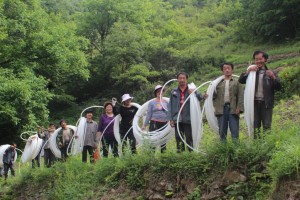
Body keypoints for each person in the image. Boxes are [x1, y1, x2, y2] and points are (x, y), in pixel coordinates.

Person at [239, 50, 282, 138]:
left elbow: (278, 87)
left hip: (266, 104)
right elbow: (241, 80)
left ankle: (267, 145)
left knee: (267, 125)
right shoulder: (252, 72)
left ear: (265, 59)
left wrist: (273, 77)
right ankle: (257, 146)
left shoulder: (270, 73)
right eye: (256, 59)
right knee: (256, 126)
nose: (258, 61)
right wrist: (248, 71)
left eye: (260, 59)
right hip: (254, 104)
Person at [167, 72, 204, 152]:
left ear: (186, 79)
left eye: (184, 78)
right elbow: (170, 106)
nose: (182, 80)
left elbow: (200, 97)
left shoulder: (191, 89)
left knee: (189, 137)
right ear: (177, 80)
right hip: (177, 118)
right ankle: (180, 154)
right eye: (180, 78)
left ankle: (190, 154)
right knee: (178, 137)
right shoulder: (174, 91)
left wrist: (195, 92)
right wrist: (171, 119)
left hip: (188, 118)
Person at [213, 63, 244, 142]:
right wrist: (206, 94)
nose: (227, 70)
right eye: (225, 68)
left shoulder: (237, 82)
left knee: (234, 130)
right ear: (222, 70)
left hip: (233, 109)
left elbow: (240, 95)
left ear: (232, 70)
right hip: (221, 109)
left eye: (228, 68)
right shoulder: (217, 83)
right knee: (222, 131)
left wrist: (239, 108)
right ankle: (223, 149)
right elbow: (212, 96)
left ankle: (236, 148)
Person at [142, 85, 168, 152]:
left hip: (164, 124)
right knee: (153, 141)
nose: (160, 93)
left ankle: (164, 157)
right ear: (156, 93)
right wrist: (144, 125)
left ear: (163, 92)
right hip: (154, 123)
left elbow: (169, 113)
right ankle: (152, 159)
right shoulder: (152, 103)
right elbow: (149, 114)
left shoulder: (166, 102)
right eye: (158, 91)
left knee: (163, 142)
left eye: (161, 91)